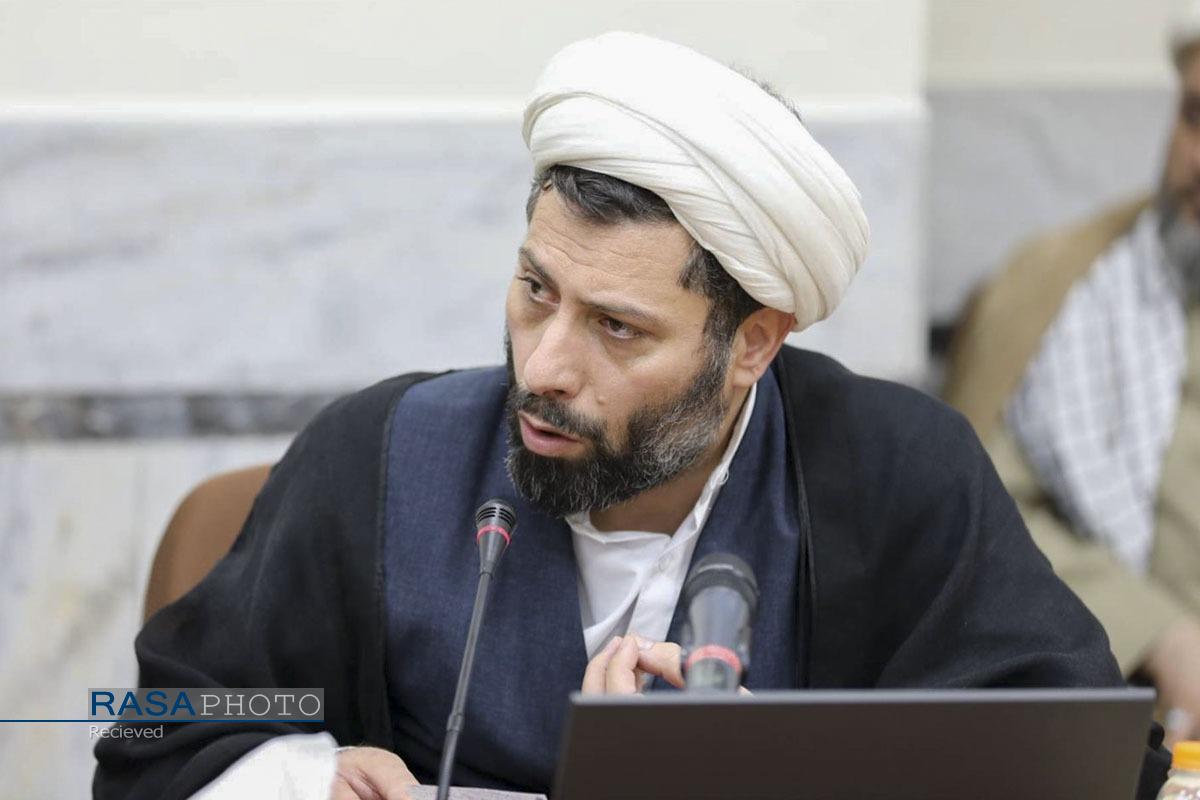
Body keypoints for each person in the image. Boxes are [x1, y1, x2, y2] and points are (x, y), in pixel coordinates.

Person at [95, 32, 1165, 800]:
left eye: (617, 327)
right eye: (536, 291)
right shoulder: (376, 458)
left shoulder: (893, 474)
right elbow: (162, 732)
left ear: (752, 344)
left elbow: (1082, 762)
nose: (543, 366)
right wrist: (298, 774)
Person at [944, 4, 1200, 751]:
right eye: (1195, 117)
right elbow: (977, 511)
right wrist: (1156, 631)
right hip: (1117, 719)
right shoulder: (1058, 283)